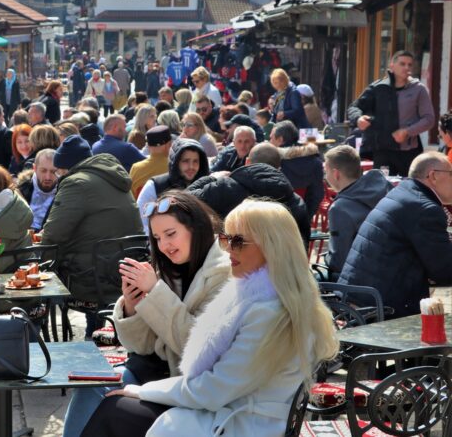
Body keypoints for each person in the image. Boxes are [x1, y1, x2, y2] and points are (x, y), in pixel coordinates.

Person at [83, 199, 339, 437]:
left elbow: (213, 389)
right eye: (226, 239)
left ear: (271, 247)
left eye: (237, 242)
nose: (227, 249)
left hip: (239, 424)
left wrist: (142, 391)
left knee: (113, 409)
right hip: (227, 412)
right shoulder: (268, 297)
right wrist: (133, 304)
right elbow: (148, 347)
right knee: (109, 400)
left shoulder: (267, 309)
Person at [62, 191, 231, 437]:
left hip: (190, 389)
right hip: (153, 371)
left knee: (112, 406)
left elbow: (197, 348)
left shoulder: (223, 274)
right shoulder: (167, 269)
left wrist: (155, 291)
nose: (164, 246)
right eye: (157, 238)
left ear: (196, 228)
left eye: (171, 234)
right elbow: (140, 346)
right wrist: (133, 306)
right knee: (93, 386)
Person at [42, 136, 144, 336]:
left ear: (65, 168)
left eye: (57, 171)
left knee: (40, 280)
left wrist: (35, 268)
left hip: (93, 279)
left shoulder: (76, 183)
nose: (56, 176)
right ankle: (95, 333)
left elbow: (54, 234)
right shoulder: (114, 177)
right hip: (125, 273)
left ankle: (89, 340)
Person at [339, 153, 452, 318]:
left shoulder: (403, 192)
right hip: (380, 306)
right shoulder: (425, 208)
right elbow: (445, 270)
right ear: (433, 175)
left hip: (358, 295)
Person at [189, 143, 311, 245]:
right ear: (278, 167)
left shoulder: (225, 188)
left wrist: (211, 178)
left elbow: (185, 200)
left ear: (247, 162)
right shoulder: (296, 201)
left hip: (237, 269)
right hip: (289, 271)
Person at [347, 51, 435, 177]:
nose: (406, 68)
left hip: (408, 151)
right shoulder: (378, 87)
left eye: (410, 65)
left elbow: (429, 119)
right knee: (383, 188)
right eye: (402, 64)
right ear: (392, 66)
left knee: (410, 188)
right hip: (383, 150)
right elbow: (354, 107)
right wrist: (358, 118)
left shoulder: (418, 89)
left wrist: (407, 131)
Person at [323, 145, 392, 280]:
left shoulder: (340, 208)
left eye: (326, 172)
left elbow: (339, 262)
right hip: (392, 273)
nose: (325, 177)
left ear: (336, 174)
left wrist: (326, 257)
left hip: (360, 282)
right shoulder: (385, 188)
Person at [137, 139, 209, 233]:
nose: (191, 166)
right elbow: (142, 223)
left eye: (196, 161)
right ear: (175, 162)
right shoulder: (155, 186)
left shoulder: (206, 186)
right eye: (185, 161)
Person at [268, 120, 324, 218]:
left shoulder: (274, 162)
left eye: (271, 138)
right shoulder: (315, 161)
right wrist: (307, 217)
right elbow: (317, 194)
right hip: (305, 216)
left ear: (280, 139)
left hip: (279, 217)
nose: (269, 141)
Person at [17, 148, 58, 230]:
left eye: (53, 172)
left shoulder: (65, 192)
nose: (48, 177)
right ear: (34, 168)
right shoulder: (21, 189)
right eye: (43, 171)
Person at [129, 125, 172, 196]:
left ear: (148, 146)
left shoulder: (136, 168)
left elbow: (131, 195)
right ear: (169, 145)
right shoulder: (174, 167)